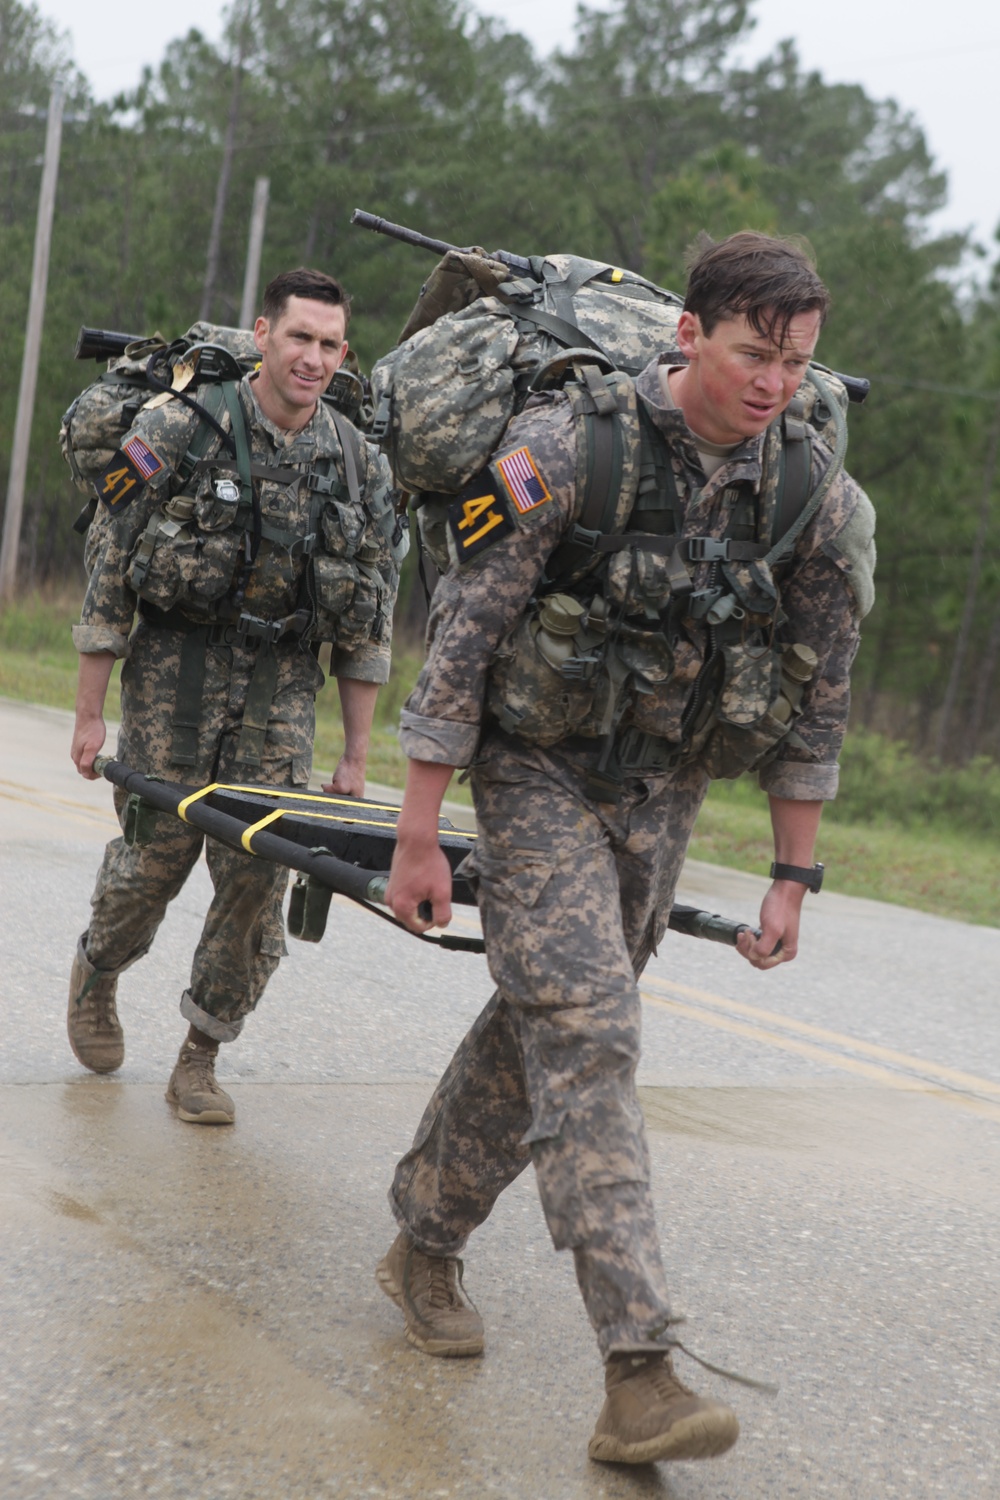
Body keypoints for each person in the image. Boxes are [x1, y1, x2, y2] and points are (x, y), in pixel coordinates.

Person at [378, 233, 875, 1464]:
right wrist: (420, 833)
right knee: (591, 1028)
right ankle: (638, 1368)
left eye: (796, 362)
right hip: (532, 765)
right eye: (754, 354)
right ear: (687, 334)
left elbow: (819, 698)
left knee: (544, 1019)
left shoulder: (814, 497)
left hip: (663, 785)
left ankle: (420, 1238)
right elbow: (461, 643)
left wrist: (791, 873)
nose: (774, 384)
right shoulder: (563, 450)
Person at [68, 267, 404, 1125]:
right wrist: (88, 709)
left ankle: (200, 1054)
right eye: (300, 337)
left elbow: (368, 623)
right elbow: (112, 565)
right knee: (150, 870)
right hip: (171, 682)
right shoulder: (179, 427)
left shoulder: (359, 462)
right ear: (263, 334)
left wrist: (357, 754)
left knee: (256, 881)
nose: (315, 358)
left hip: (283, 693)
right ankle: (99, 969)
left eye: (331, 344)